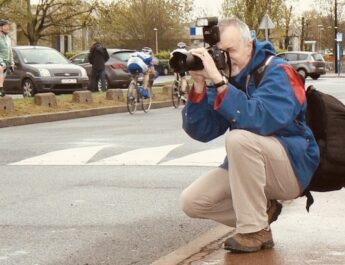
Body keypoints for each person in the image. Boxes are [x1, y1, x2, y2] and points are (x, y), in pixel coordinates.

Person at [180, 18, 320, 253]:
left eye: (230, 50)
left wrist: (221, 83)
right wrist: (198, 86)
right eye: (219, 52)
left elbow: (260, 120)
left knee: (239, 139)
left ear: (249, 44)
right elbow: (202, 131)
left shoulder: (279, 71)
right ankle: (263, 211)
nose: (225, 58)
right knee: (193, 201)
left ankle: (254, 230)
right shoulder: (227, 77)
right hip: (252, 167)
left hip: (293, 165)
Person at [0, 19, 14, 97]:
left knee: (2, 78)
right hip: (1, 62)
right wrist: (1, 62)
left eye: (8, 26)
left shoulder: (8, 38)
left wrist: (12, 63)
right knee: (0, 69)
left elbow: (10, 51)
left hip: (6, 63)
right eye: (5, 26)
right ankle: (1, 89)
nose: (8, 27)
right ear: (0, 28)